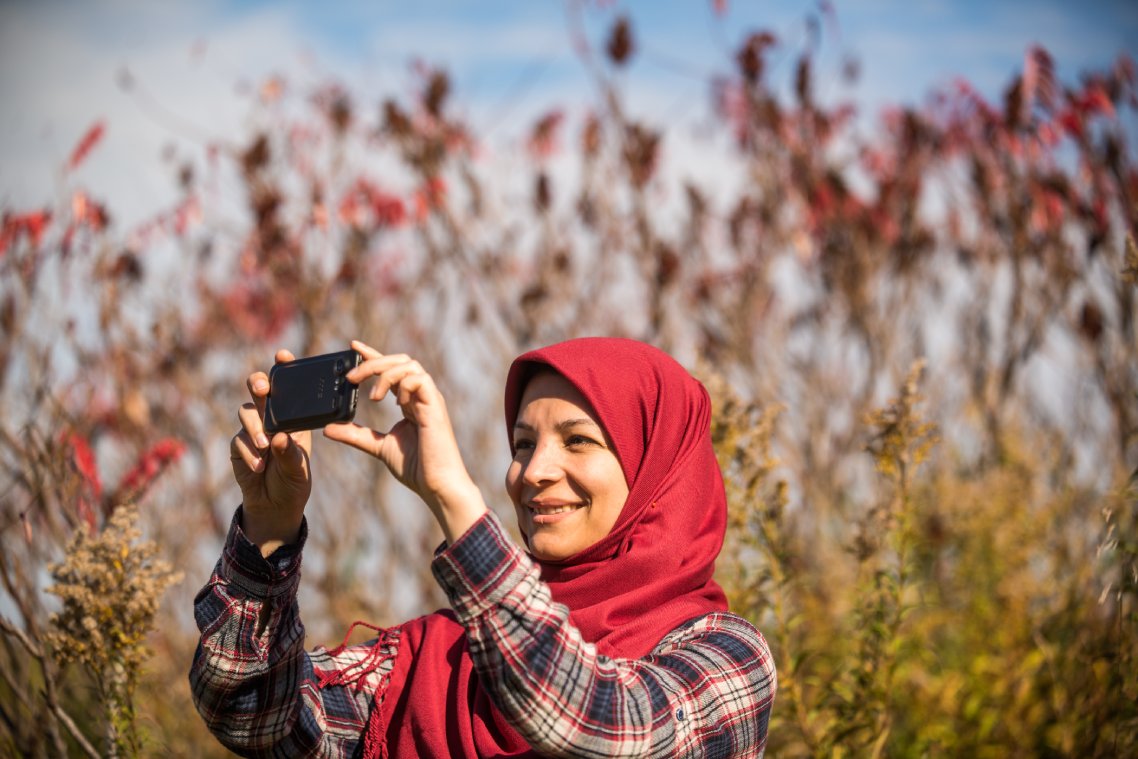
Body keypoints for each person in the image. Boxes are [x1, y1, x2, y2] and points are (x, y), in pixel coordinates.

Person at [191, 336, 776, 758]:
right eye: (523, 444)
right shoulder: (439, 659)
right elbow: (254, 717)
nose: (534, 471)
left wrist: (454, 499)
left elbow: (601, 728)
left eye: (578, 441)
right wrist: (269, 532)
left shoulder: (725, 658)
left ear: (659, 474)